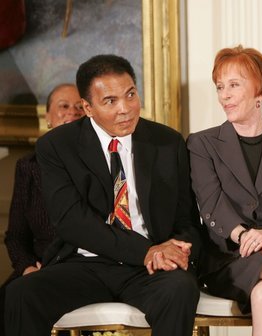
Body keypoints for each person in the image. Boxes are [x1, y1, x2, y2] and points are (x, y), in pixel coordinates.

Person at [4, 54, 201, 336]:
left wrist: (177, 248)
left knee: (180, 287)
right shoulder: (58, 146)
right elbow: (72, 222)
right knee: (21, 293)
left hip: (149, 269)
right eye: (110, 101)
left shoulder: (167, 142)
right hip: (85, 264)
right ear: (88, 107)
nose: (126, 109)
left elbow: (187, 221)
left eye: (131, 94)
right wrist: (144, 250)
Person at [187, 45, 262, 336]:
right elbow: (210, 203)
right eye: (219, 87)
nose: (224, 95)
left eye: (234, 85)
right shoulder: (201, 145)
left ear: (260, 91)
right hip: (229, 257)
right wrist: (246, 236)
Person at [0, 83, 84, 336]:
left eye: (80, 108)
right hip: (36, 267)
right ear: (47, 117)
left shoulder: (99, 163)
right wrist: (27, 268)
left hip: (81, 269)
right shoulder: (28, 166)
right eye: (64, 107)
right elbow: (15, 236)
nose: (72, 113)